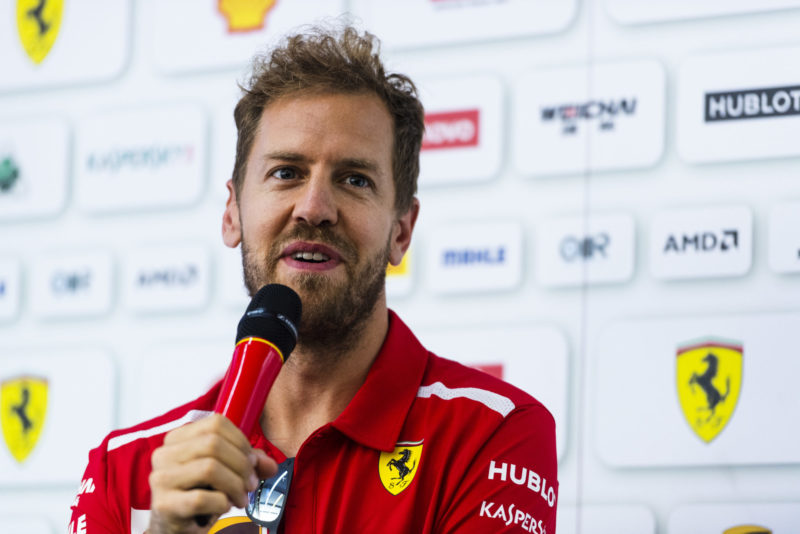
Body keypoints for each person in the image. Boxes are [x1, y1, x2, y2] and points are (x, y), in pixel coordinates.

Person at [68, 24, 558, 534]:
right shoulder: (123, 470)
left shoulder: (492, 433)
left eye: (354, 179)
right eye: (286, 172)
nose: (314, 208)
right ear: (233, 212)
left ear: (401, 230)